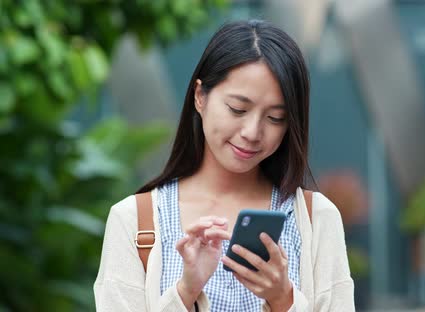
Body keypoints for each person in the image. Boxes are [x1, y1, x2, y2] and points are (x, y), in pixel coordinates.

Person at [94, 19, 354, 312]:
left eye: (275, 118)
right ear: (200, 96)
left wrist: (283, 300)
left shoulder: (316, 218)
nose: (252, 132)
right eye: (238, 109)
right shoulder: (134, 221)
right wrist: (185, 291)